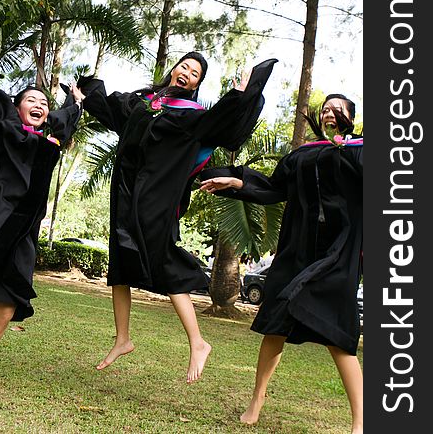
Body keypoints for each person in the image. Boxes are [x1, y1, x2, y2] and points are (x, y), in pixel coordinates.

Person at [70, 52, 277, 383]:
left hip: (158, 196)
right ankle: (122, 338)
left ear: (196, 84)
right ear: (174, 69)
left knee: (163, 260)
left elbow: (224, 124)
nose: (187, 72)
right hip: (125, 192)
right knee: (120, 262)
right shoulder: (144, 101)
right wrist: (85, 95)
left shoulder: (193, 117)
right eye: (185, 66)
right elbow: (113, 110)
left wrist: (240, 95)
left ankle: (198, 342)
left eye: (195, 73)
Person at [200, 94, 363, 433]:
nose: (329, 112)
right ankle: (257, 399)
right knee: (275, 324)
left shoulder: (361, 151)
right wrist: (236, 181)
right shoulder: (301, 154)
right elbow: (274, 188)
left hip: (338, 253)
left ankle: (361, 421)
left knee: (338, 336)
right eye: (325, 108)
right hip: (296, 251)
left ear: (351, 117)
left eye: (338, 109)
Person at [0, 40, 81, 395]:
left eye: (44, 103)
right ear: (16, 106)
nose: (40, 105)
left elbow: (68, 119)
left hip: (22, 237)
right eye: (31, 99)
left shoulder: (48, 143)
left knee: (6, 308)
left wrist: (74, 102)